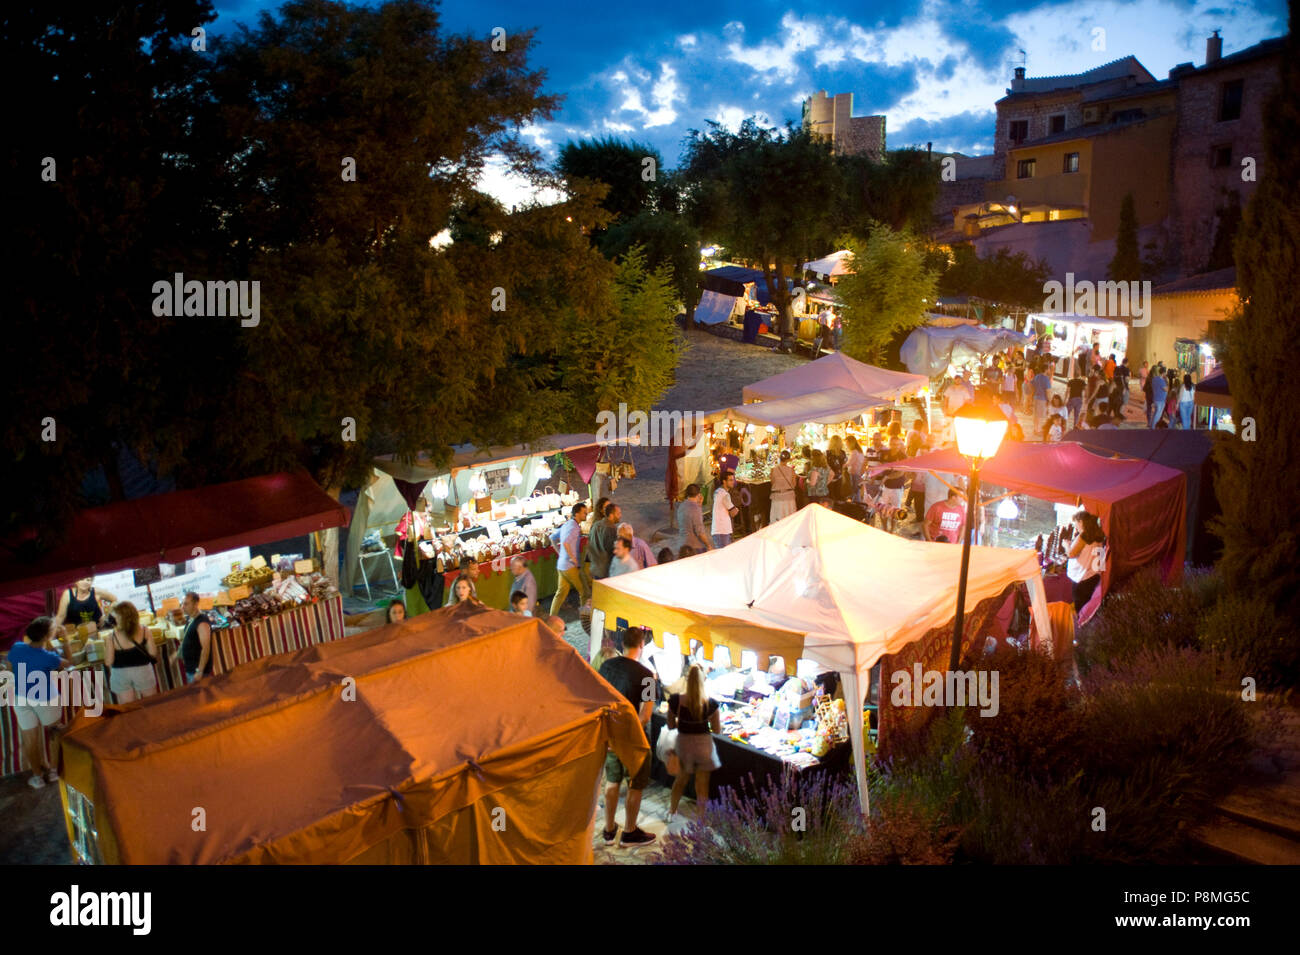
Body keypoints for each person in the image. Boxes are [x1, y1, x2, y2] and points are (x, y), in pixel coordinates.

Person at [598, 628, 658, 847]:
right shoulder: (648, 676)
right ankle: (630, 831)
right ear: (641, 646)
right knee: (636, 785)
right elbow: (646, 715)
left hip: (612, 738)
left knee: (612, 782)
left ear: (622, 644)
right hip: (635, 742)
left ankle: (608, 829)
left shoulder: (605, 667)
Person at [8, 617, 72, 789]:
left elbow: (9, 668)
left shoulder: (16, 648)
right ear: (47, 636)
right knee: (54, 735)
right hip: (45, 698)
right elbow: (69, 662)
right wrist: (64, 640)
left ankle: (37, 777)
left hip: (21, 697)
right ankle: (53, 772)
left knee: (29, 740)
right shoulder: (49, 657)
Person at [666, 663, 723, 822]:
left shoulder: (676, 700)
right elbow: (717, 730)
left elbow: (670, 725)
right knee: (702, 785)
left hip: (684, 744)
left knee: (681, 780)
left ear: (687, 679)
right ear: (703, 680)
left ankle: (672, 811)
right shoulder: (711, 704)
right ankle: (701, 819)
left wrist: (684, 724)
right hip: (704, 746)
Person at [103, 601, 159, 703]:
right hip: (143, 671)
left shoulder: (111, 637)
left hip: (121, 674)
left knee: (128, 709)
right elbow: (153, 653)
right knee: (151, 704)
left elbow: (108, 662)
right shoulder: (145, 630)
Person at [549, 502, 591, 617]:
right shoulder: (574, 527)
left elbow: (552, 538)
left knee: (560, 594)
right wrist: (573, 559)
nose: (586, 514)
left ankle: (551, 619)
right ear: (577, 514)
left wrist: (560, 553)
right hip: (569, 566)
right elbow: (566, 542)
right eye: (584, 512)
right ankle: (585, 618)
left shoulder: (567, 524)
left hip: (561, 566)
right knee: (584, 592)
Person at [1067, 510, 1106, 612]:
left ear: (1081, 522)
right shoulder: (1099, 536)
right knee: (1089, 607)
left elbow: (1071, 554)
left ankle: (1081, 625)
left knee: (1080, 608)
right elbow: (1101, 560)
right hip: (1095, 576)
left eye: (1075, 522)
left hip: (1082, 578)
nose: (1075, 526)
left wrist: (1066, 545)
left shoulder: (1084, 536)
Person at [180, 591, 215, 684]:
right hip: (191, 669)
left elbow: (206, 648)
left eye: (186, 604)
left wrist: (199, 671)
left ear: (195, 604)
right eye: (182, 603)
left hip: (198, 672)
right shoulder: (191, 618)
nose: (183, 607)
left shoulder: (202, 623)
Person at [587, 501, 622, 581]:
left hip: (595, 568)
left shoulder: (596, 525)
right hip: (605, 572)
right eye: (618, 513)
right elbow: (612, 550)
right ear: (611, 515)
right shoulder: (611, 528)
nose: (620, 516)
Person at [676, 484, 713, 553]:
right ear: (699, 494)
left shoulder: (681, 506)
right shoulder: (695, 508)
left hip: (682, 545)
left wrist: (699, 505)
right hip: (694, 547)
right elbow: (700, 532)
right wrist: (708, 545)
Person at [768, 452, 798, 524]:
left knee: (778, 520)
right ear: (788, 460)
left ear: (779, 459)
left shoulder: (773, 470)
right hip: (789, 498)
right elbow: (794, 485)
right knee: (790, 520)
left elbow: (773, 483)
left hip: (777, 498)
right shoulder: (791, 470)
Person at [712, 471, 739, 547]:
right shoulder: (724, 494)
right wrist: (736, 509)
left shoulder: (718, 492)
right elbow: (733, 513)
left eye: (733, 480)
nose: (733, 482)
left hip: (720, 531)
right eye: (730, 480)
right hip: (722, 531)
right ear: (724, 481)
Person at [825, 434, 848, 499]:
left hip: (829, 478)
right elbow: (844, 465)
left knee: (830, 497)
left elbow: (825, 465)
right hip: (839, 476)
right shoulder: (843, 453)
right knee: (838, 495)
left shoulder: (827, 453)